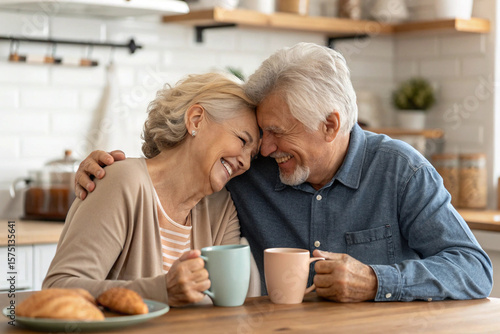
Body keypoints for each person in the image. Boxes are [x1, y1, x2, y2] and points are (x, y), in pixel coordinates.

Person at [74, 43, 493, 302]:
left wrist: (375, 281)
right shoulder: (250, 171)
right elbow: (184, 166)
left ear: (330, 125)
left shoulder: (400, 170)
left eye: (274, 132)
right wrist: (107, 171)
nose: (264, 150)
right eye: (256, 136)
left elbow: (474, 268)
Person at [43, 73, 260, 307]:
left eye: (253, 155)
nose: (246, 163)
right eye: (242, 140)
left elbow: (222, 305)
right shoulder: (122, 182)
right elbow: (58, 289)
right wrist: (161, 290)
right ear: (196, 120)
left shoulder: (221, 208)